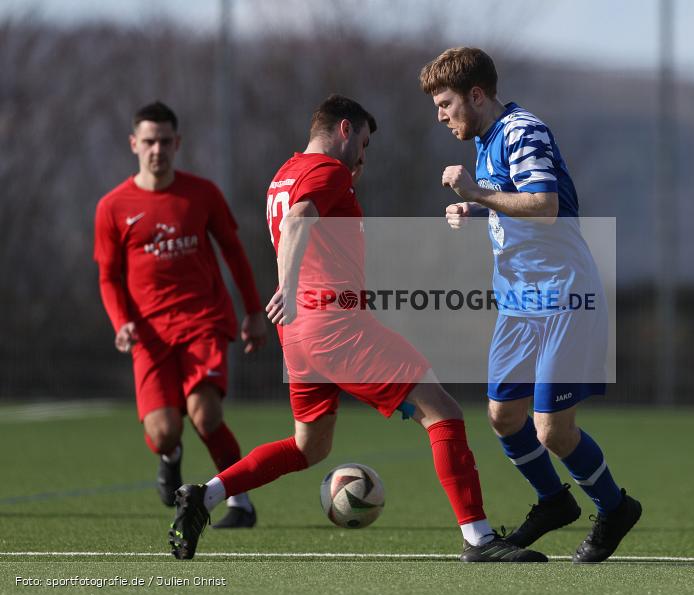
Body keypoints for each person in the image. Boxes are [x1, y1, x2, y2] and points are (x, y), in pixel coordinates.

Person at [167, 94, 547, 563]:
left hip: (300, 336)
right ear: (344, 130)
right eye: (363, 143)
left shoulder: (285, 174)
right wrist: (285, 287)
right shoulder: (327, 171)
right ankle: (480, 540)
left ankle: (203, 497)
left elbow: (306, 217)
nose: (363, 156)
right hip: (334, 323)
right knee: (443, 412)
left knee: (309, 446)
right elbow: (299, 221)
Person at [419, 47, 642, 563]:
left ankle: (615, 508)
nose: (441, 115)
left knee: (551, 430)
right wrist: (474, 208)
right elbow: (513, 204)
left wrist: (475, 192)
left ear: (476, 95)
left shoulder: (522, 131)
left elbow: (544, 206)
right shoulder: (487, 141)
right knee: (502, 415)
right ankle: (553, 503)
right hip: (519, 302)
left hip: (562, 295)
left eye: (446, 102)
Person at [94, 101, 266, 528]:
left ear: (178, 143)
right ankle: (170, 458)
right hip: (149, 336)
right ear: (134, 144)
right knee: (165, 430)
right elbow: (108, 277)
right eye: (149, 141)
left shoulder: (202, 193)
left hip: (202, 321)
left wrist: (254, 311)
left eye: (165, 141)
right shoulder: (113, 206)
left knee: (206, 415)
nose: (158, 150)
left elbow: (234, 254)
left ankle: (240, 503)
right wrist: (121, 323)